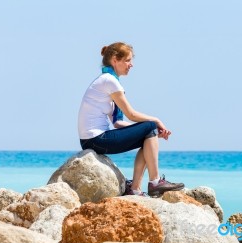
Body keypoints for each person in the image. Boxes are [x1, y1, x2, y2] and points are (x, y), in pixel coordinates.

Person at [78, 42, 184, 197]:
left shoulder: (109, 80)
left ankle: (135, 189)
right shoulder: (109, 81)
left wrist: (150, 134)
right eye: (127, 60)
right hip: (96, 139)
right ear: (115, 60)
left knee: (148, 133)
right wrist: (156, 121)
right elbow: (131, 115)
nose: (131, 65)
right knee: (149, 126)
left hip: (92, 140)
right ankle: (154, 183)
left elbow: (118, 122)